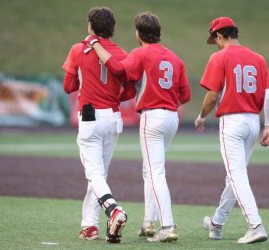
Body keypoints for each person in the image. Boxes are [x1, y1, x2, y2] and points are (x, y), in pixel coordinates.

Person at [85, 11, 191, 243]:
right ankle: (148, 223)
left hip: (152, 116)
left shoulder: (141, 53)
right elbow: (186, 95)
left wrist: (94, 44)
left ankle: (168, 226)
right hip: (171, 117)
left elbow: (118, 69)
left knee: (155, 172)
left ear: (139, 33)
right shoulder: (175, 58)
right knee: (150, 170)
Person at [194, 17, 269, 244]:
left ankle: (255, 225)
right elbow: (268, 94)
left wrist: (201, 117)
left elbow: (212, 95)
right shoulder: (258, 58)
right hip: (252, 122)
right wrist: (268, 125)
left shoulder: (219, 57)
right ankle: (217, 223)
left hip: (232, 122)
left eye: (215, 38)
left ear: (219, 35)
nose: (215, 43)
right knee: (234, 175)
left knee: (237, 175)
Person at [62, 6, 135, 244]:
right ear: (112, 28)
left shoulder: (78, 49)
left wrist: (85, 81)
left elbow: (68, 86)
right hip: (113, 117)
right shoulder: (122, 53)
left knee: (93, 173)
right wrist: (114, 96)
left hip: (90, 117)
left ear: (91, 26)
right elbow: (130, 88)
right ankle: (89, 225)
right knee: (98, 174)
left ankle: (113, 210)